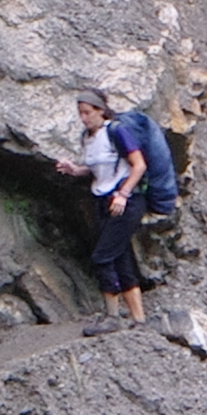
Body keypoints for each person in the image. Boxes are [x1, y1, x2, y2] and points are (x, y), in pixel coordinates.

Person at [72, 90, 154, 327]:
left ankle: (112, 317)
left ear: (100, 110)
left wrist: (123, 194)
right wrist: (75, 170)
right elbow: (98, 168)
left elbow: (138, 165)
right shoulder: (88, 137)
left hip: (125, 202)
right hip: (102, 200)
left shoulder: (117, 131)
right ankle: (138, 318)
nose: (84, 118)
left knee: (102, 256)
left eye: (88, 113)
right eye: (81, 113)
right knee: (121, 256)